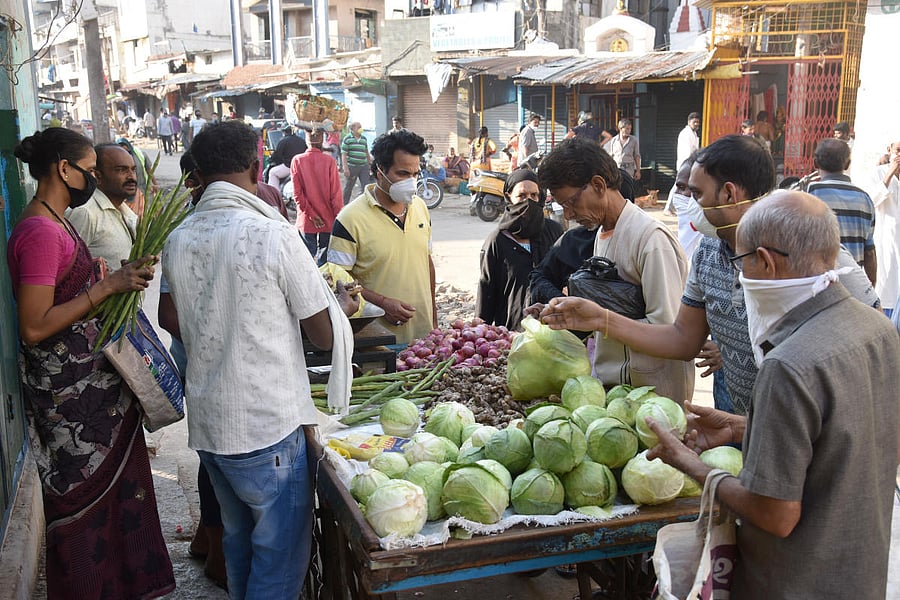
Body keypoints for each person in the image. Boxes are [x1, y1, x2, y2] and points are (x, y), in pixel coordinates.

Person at [643, 191, 900, 600]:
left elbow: (775, 514)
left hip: (795, 581)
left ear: (764, 261)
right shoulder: (878, 329)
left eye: (740, 261)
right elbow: (856, 437)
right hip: (860, 574)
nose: (740, 273)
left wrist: (690, 464)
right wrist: (746, 428)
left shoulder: (788, 363)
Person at [538, 134, 880, 416]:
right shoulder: (708, 253)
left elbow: (875, 332)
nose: (688, 203)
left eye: (697, 193)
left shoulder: (806, 248)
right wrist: (598, 319)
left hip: (812, 426)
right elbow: (682, 339)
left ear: (729, 193)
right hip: (741, 415)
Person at [163, 120, 354, 599]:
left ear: (198, 173)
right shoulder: (272, 234)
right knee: (279, 560)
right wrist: (342, 307)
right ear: (256, 167)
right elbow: (322, 334)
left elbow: (179, 316)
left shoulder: (179, 236)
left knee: (241, 544)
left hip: (211, 426)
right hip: (266, 427)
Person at [8, 127, 174, 598]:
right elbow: (34, 325)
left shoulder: (56, 223)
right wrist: (104, 288)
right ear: (64, 169)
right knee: (85, 510)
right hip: (71, 403)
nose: (95, 179)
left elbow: (65, 296)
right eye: (90, 170)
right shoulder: (41, 232)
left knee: (119, 503)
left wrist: (99, 281)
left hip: (96, 394)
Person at [531, 137, 694, 402]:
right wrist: (567, 314)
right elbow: (612, 306)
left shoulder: (651, 240)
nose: (568, 215)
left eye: (571, 203)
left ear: (598, 185)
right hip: (616, 390)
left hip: (652, 396)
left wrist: (601, 320)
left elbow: (671, 334)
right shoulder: (603, 233)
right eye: (563, 207)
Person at [329, 128, 438, 344]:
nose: (411, 182)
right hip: (377, 341)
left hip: (423, 338)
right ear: (380, 171)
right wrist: (382, 303)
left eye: (415, 174)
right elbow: (336, 283)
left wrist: (434, 318)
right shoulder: (350, 219)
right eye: (403, 174)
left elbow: (426, 262)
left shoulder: (420, 208)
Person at [476, 170, 563, 330]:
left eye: (533, 195)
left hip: (551, 330)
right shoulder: (497, 240)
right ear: (508, 197)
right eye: (521, 196)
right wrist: (480, 331)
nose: (528, 201)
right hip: (511, 332)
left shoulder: (554, 232)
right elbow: (487, 289)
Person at [806, 138, 876, 283]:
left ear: (815, 163)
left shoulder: (810, 193)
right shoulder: (865, 199)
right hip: (854, 283)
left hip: (819, 283)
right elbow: (869, 252)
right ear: (848, 164)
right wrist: (870, 288)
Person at [67, 143, 139, 270]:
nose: (131, 176)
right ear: (98, 177)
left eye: (133, 170)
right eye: (121, 170)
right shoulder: (86, 212)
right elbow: (67, 267)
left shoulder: (123, 209)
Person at [292, 128, 344, 262]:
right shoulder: (329, 161)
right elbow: (336, 195)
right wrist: (339, 217)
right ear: (322, 140)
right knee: (324, 262)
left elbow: (297, 195)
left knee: (305, 261)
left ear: (306, 140)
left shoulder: (297, 160)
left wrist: (312, 215)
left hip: (306, 219)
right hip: (328, 218)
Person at [867, 139, 900, 316]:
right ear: (890, 150)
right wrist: (889, 174)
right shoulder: (878, 173)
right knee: (886, 288)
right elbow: (870, 202)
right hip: (886, 241)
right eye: (898, 151)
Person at [663, 112, 701, 216]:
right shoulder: (685, 133)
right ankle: (668, 208)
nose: (696, 124)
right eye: (694, 122)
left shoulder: (694, 134)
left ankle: (673, 207)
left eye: (698, 122)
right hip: (685, 164)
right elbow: (688, 151)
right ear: (689, 122)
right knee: (677, 185)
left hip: (690, 164)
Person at [116, 137, 155, 217]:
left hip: (143, 188)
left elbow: (149, 170)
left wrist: (154, 183)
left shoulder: (141, 155)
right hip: (128, 194)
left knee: (146, 212)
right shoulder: (116, 160)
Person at [267, 124, 307, 189]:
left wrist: (271, 159)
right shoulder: (302, 141)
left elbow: (277, 155)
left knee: (272, 172)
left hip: (289, 167)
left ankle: (274, 193)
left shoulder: (283, 141)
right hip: (301, 167)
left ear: (284, 132)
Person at [341, 122, 372, 204]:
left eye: (361, 127)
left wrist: (370, 163)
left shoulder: (364, 139)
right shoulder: (347, 139)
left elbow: (366, 151)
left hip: (363, 166)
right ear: (352, 129)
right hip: (352, 167)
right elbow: (344, 154)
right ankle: (344, 204)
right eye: (359, 127)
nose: (361, 129)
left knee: (366, 186)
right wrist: (345, 168)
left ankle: (365, 204)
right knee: (349, 187)